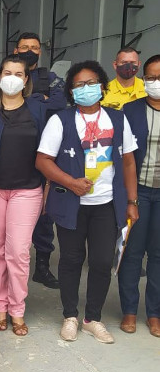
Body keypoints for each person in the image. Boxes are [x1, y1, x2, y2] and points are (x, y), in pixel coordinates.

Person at [36, 60, 139, 344]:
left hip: (107, 204)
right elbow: (43, 161)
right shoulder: (61, 120)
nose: (86, 88)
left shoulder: (117, 119)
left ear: (102, 86)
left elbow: (129, 162)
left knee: (102, 262)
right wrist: (70, 182)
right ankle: (70, 315)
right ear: (71, 91)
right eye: (79, 84)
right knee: (71, 260)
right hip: (71, 204)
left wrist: (131, 201)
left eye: (92, 83)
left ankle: (93, 318)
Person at [0, 55, 46, 335]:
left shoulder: (38, 110)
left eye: (18, 74)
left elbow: (48, 152)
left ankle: (17, 309)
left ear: (26, 80)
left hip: (27, 190)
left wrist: (48, 188)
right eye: (7, 72)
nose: (12, 78)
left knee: (18, 252)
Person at [14, 32, 67, 289]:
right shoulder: (10, 73)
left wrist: (30, 100)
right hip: (15, 151)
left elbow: (61, 101)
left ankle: (42, 267)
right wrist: (40, 99)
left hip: (45, 152)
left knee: (45, 212)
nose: (29, 51)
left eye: (34, 47)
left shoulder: (50, 78)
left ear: (40, 52)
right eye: (24, 47)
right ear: (15, 50)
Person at [118, 54, 160, 338]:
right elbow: (125, 157)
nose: (155, 82)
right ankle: (129, 310)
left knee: (158, 254)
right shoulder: (131, 111)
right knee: (132, 252)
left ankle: (154, 313)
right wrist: (130, 199)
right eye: (151, 78)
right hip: (138, 191)